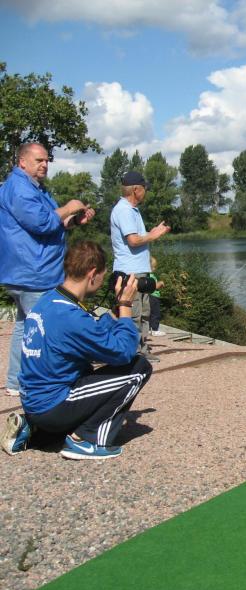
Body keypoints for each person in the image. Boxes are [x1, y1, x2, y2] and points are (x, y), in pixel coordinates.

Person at [1, 241, 152, 459]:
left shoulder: (49, 300)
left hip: (35, 404)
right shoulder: (71, 316)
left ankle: (31, 430)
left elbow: (89, 333)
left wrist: (114, 314)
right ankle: (87, 440)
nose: (102, 282)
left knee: (86, 378)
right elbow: (124, 352)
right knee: (139, 368)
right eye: (102, 276)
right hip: (54, 405)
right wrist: (126, 306)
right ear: (92, 274)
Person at [0, 142, 95, 398]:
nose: (44, 165)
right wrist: (69, 207)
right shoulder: (20, 188)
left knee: (25, 327)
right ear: (22, 162)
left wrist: (75, 220)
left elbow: (52, 223)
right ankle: (41, 387)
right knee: (45, 329)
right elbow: (41, 223)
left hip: (28, 271)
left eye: (46, 161)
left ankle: (16, 382)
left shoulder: (34, 188)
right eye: (39, 160)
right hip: (33, 272)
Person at [110, 171, 170, 360]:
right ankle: (133, 351)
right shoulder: (124, 210)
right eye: (144, 188)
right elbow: (133, 240)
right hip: (130, 273)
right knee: (133, 313)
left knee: (144, 312)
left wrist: (151, 232)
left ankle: (142, 349)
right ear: (136, 190)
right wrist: (153, 235)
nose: (146, 192)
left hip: (139, 271)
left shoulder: (131, 210)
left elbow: (137, 237)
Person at [148, 256, 166, 336]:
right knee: (155, 313)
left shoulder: (146, 275)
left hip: (149, 296)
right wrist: (161, 283)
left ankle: (148, 329)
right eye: (153, 267)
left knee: (149, 313)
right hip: (153, 297)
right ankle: (155, 329)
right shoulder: (150, 276)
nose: (155, 269)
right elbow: (154, 286)